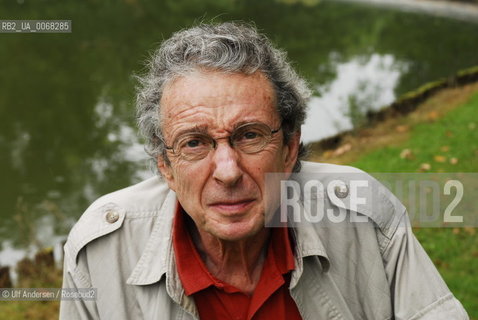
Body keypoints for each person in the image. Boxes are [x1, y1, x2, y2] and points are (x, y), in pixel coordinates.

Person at [60, 22, 469, 319]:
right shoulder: (99, 250)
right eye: (195, 143)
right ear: (165, 166)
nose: (227, 171)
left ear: (290, 147)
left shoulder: (365, 212)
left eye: (250, 135)